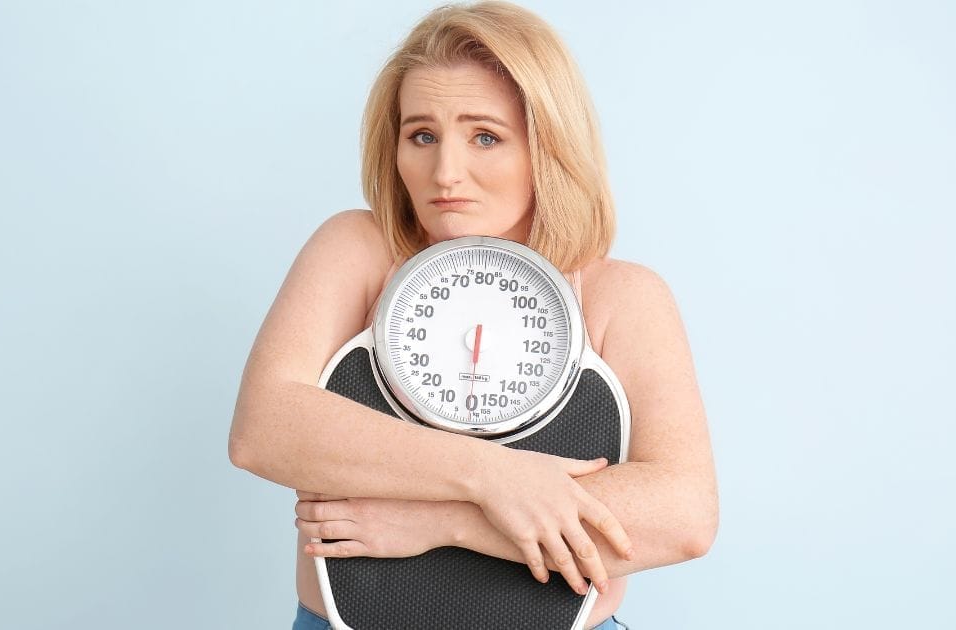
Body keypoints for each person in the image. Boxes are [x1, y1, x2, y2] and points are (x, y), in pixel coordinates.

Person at [228, 2, 718, 628]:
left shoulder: (622, 296)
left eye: (485, 136)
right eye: (422, 136)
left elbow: (684, 516)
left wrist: (444, 522)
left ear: (547, 146)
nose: (446, 173)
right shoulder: (359, 250)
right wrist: (494, 477)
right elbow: (263, 429)